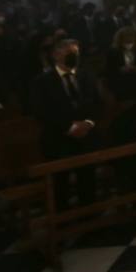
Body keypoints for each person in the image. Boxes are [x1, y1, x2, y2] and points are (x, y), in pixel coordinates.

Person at [30, 37, 101, 208]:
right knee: (59, 184)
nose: (73, 56)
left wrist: (89, 123)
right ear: (56, 55)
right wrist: (70, 127)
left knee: (87, 180)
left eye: (76, 52)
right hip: (58, 139)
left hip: (86, 137)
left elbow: (98, 103)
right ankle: (62, 219)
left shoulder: (86, 75)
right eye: (69, 53)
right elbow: (41, 111)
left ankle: (89, 215)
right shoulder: (42, 81)